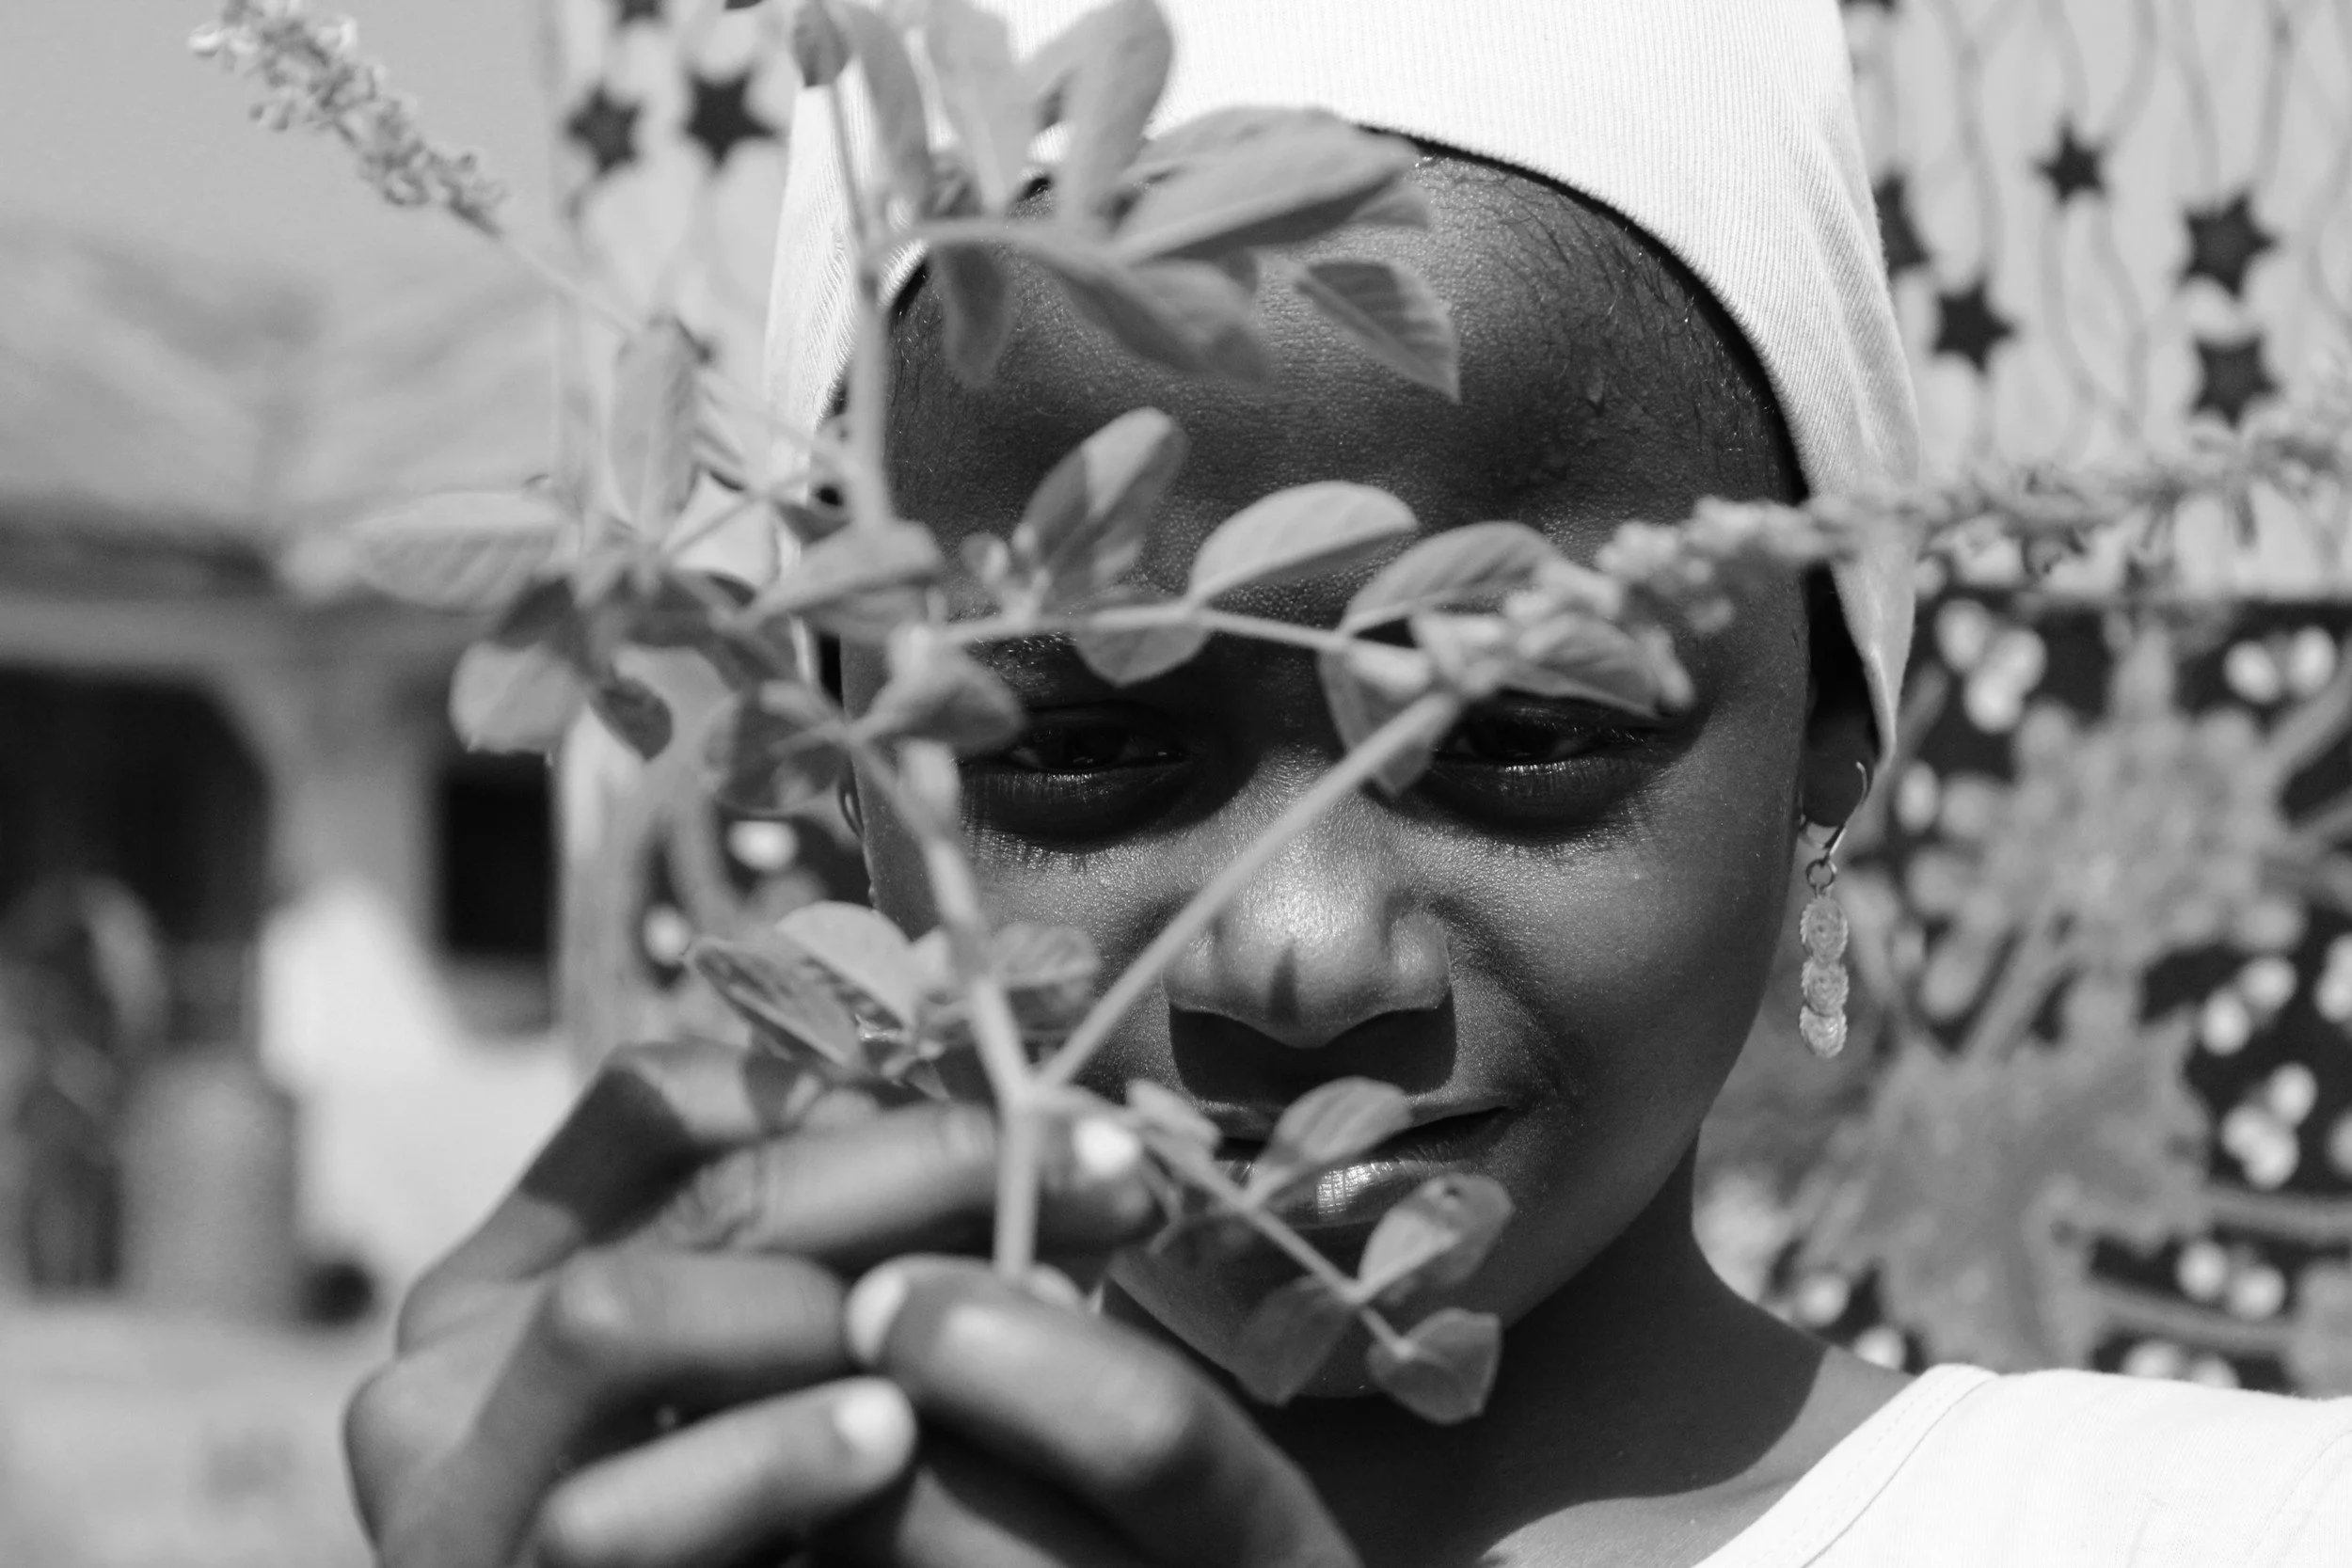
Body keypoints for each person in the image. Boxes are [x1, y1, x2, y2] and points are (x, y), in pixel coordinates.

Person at [345, 2, 2352, 1564]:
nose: (1300, 957)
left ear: (1831, 730)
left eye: (1519, 737)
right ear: (841, 741)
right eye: (1075, 746)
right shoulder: (696, 1521)